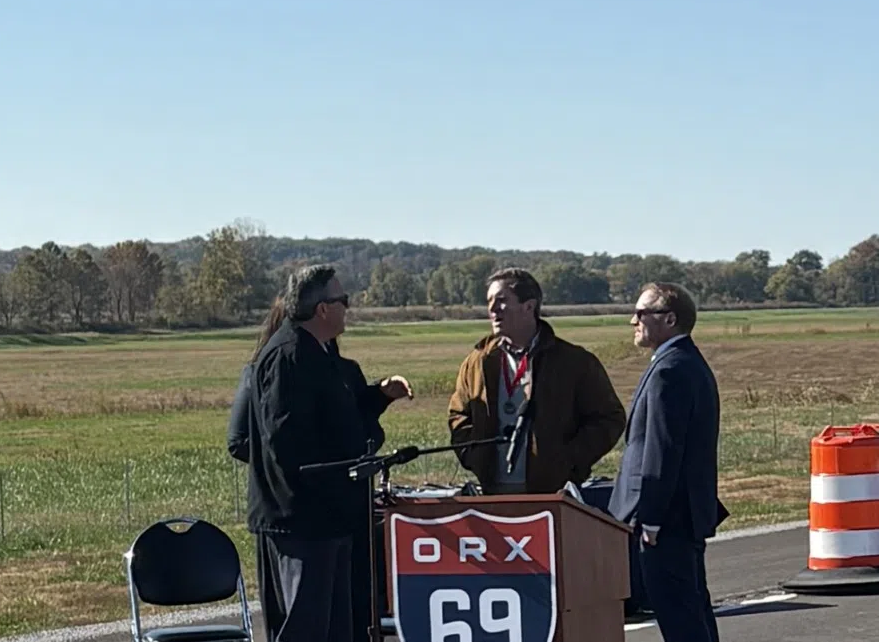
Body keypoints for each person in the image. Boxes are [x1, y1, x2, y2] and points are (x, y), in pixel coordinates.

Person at [226, 296, 411, 641]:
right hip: (294, 513)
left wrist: (379, 398)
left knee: (349, 618)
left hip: (346, 513)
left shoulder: (343, 370)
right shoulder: (264, 370)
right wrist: (283, 465)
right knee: (304, 620)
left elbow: (358, 435)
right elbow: (240, 441)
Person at [611, 281, 727, 642]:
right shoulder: (683, 361)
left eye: (642, 313)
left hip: (668, 519)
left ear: (670, 319)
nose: (634, 321)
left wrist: (652, 518)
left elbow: (662, 451)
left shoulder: (670, 371)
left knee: (679, 614)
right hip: (683, 515)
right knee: (691, 609)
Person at [448, 267, 627, 495]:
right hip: (492, 492)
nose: (492, 309)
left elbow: (609, 419)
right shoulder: (477, 362)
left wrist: (568, 461)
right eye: (489, 301)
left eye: (502, 300)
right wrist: (473, 456)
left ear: (529, 306)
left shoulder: (574, 361)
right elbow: (458, 416)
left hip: (552, 494)